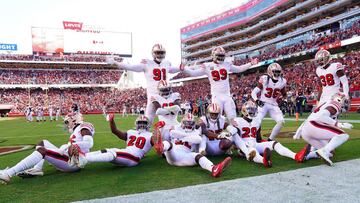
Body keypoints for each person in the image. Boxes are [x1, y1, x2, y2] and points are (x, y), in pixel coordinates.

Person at [0, 113, 95, 184]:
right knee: (43, 143)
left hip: (75, 161)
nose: (67, 125)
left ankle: (8, 174)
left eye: (67, 122)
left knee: (42, 151)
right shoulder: (77, 130)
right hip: (70, 157)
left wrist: (68, 146)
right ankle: (37, 169)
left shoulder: (83, 127)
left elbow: (89, 143)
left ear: (74, 121)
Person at [106, 44, 182, 124]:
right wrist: (116, 63)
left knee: (171, 118)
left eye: (162, 52)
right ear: (153, 53)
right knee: (149, 119)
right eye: (158, 52)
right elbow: (132, 67)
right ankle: (146, 135)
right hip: (153, 94)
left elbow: (171, 69)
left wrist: (180, 68)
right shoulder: (147, 63)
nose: (160, 55)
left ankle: (171, 133)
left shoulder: (166, 63)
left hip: (166, 94)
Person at [184, 46, 258, 125]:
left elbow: (239, 69)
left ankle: (235, 135)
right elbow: (194, 73)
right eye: (219, 56)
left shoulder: (227, 64)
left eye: (222, 56)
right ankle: (216, 135)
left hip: (227, 96)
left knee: (233, 118)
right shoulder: (207, 66)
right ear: (213, 56)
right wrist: (184, 68)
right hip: (216, 96)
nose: (221, 58)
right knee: (215, 119)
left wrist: (250, 63)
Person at [228, 101, 310, 167]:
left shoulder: (257, 121)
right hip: (244, 148)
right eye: (250, 109)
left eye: (254, 109)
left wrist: (266, 144)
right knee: (252, 150)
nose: (253, 111)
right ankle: (263, 161)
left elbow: (258, 138)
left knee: (275, 144)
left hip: (255, 144)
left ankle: (296, 156)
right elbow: (235, 137)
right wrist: (234, 147)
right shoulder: (237, 121)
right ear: (244, 110)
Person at [153, 113, 232, 178]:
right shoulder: (176, 128)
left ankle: (214, 169)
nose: (189, 125)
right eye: (187, 122)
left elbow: (198, 139)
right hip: (173, 153)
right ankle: (161, 148)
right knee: (168, 144)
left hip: (185, 157)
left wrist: (183, 137)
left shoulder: (196, 132)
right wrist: (187, 136)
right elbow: (172, 133)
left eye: (191, 123)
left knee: (198, 156)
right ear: (182, 122)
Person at [294, 92, 352, 166]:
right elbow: (322, 116)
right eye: (343, 100)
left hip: (306, 131)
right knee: (343, 135)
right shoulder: (335, 104)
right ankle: (323, 151)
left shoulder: (325, 104)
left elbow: (310, 118)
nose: (344, 102)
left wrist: (298, 131)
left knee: (330, 153)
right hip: (313, 125)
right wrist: (340, 124)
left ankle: (307, 155)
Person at [83, 114, 153, 167]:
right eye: (140, 122)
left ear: (148, 124)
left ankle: (84, 159)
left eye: (144, 123)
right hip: (127, 152)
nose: (141, 125)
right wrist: (111, 121)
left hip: (134, 157)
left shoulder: (151, 135)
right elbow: (115, 131)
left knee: (114, 153)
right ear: (136, 123)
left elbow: (159, 147)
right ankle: (83, 155)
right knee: (106, 150)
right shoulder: (131, 132)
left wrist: (158, 132)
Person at [251, 63, 287, 141]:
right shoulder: (265, 79)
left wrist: (285, 100)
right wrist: (257, 100)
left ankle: (270, 140)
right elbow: (254, 92)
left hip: (274, 105)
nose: (277, 73)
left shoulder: (282, 81)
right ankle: (251, 139)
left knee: (281, 121)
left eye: (278, 72)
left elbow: (284, 94)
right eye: (275, 71)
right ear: (270, 71)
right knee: (257, 121)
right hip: (263, 103)